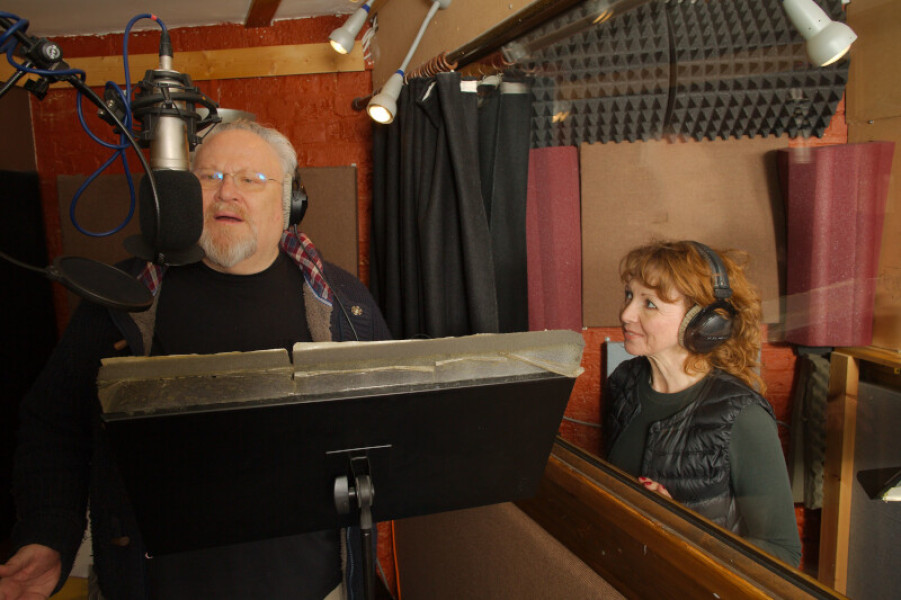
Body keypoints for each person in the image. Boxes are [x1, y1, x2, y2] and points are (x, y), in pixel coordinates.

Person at [0, 119, 391, 599]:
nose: (227, 194)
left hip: (316, 586)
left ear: (291, 203)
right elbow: (53, 425)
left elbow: (386, 433)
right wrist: (48, 532)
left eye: (251, 179)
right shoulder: (120, 297)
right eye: (210, 177)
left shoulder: (345, 303)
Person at [602, 240, 802, 567]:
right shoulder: (624, 383)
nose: (626, 314)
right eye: (629, 295)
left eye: (649, 304)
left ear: (705, 323)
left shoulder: (742, 416)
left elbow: (783, 554)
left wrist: (683, 527)